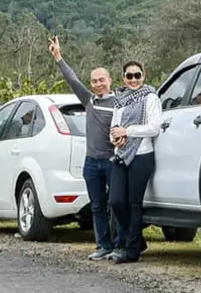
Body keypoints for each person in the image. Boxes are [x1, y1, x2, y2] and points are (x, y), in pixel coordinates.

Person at [50, 37, 122, 260]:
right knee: (97, 207)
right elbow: (72, 80)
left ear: (110, 80)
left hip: (112, 161)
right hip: (91, 163)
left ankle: (120, 245)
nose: (98, 84)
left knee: (117, 205)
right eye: (94, 81)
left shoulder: (120, 103)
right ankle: (103, 245)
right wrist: (58, 58)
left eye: (102, 80)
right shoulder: (89, 100)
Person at [104, 61, 159, 263]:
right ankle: (134, 239)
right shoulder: (120, 101)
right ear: (123, 78)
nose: (134, 80)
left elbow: (154, 127)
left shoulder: (150, 98)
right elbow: (113, 128)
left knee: (134, 203)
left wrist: (128, 131)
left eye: (137, 75)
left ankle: (131, 249)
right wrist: (116, 137)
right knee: (116, 201)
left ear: (143, 75)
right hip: (121, 154)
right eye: (129, 76)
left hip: (142, 154)